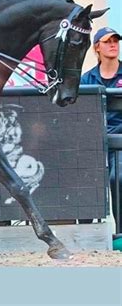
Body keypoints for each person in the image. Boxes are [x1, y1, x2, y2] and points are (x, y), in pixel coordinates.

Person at [81, 27, 122, 226]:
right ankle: (86, 232)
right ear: (97, 47)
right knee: (83, 180)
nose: (113, 44)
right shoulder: (86, 79)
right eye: (107, 41)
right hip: (94, 142)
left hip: (120, 143)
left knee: (118, 179)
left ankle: (121, 233)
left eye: (116, 40)